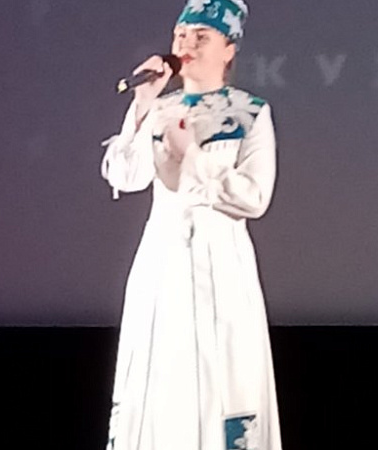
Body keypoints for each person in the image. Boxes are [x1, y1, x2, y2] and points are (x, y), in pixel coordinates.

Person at [100, 1, 281, 449]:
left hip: (222, 264)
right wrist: (142, 105)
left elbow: (254, 197)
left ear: (229, 49)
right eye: (181, 35)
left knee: (223, 375)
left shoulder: (250, 112)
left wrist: (193, 156)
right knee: (159, 377)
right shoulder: (159, 110)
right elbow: (125, 176)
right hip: (163, 262)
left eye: (202, 38)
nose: (187, 45)